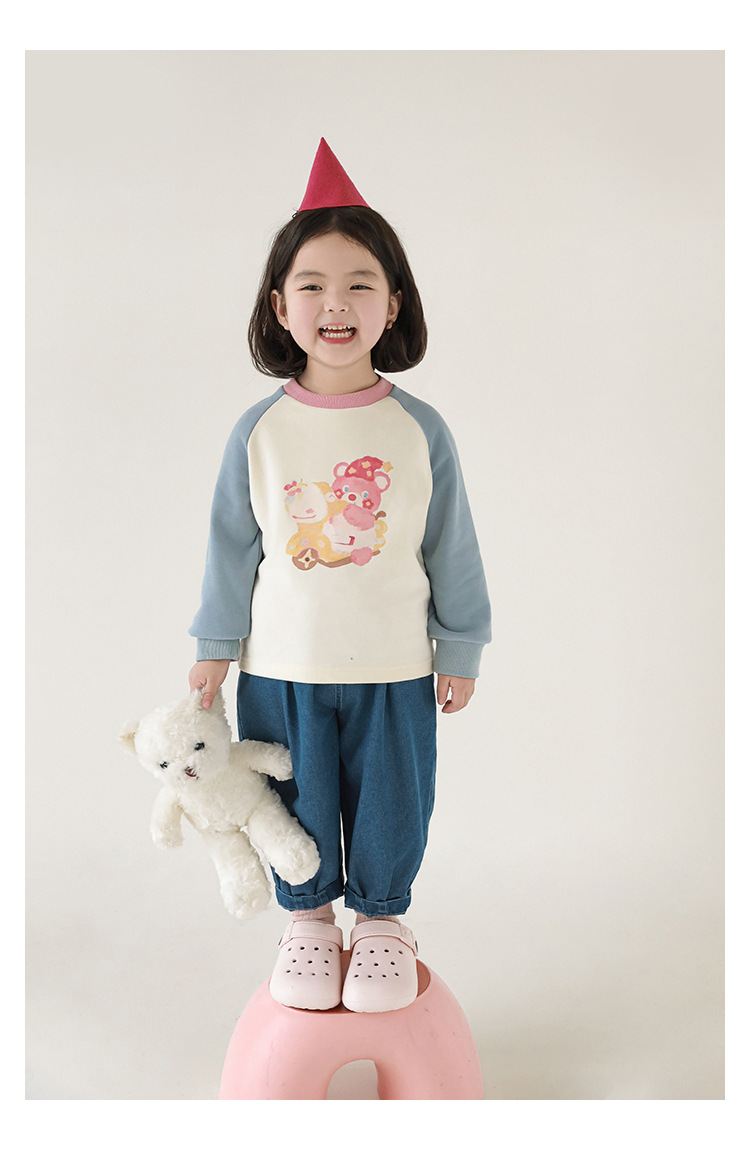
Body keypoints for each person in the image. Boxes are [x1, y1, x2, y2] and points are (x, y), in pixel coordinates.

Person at [188, 139, 491, 1013]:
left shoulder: (419, 429)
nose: (336, 303)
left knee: (393, 798)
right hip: (283, 668)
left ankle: (384, 922)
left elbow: (452, 545)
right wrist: (215, 645)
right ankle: (310, 922)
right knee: (297, 796)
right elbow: (231, 545)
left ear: (393, 304)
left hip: (394, 668)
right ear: (279, 306)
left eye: (360, 284)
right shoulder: (260, 430)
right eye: (312, 284)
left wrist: (460, 646)